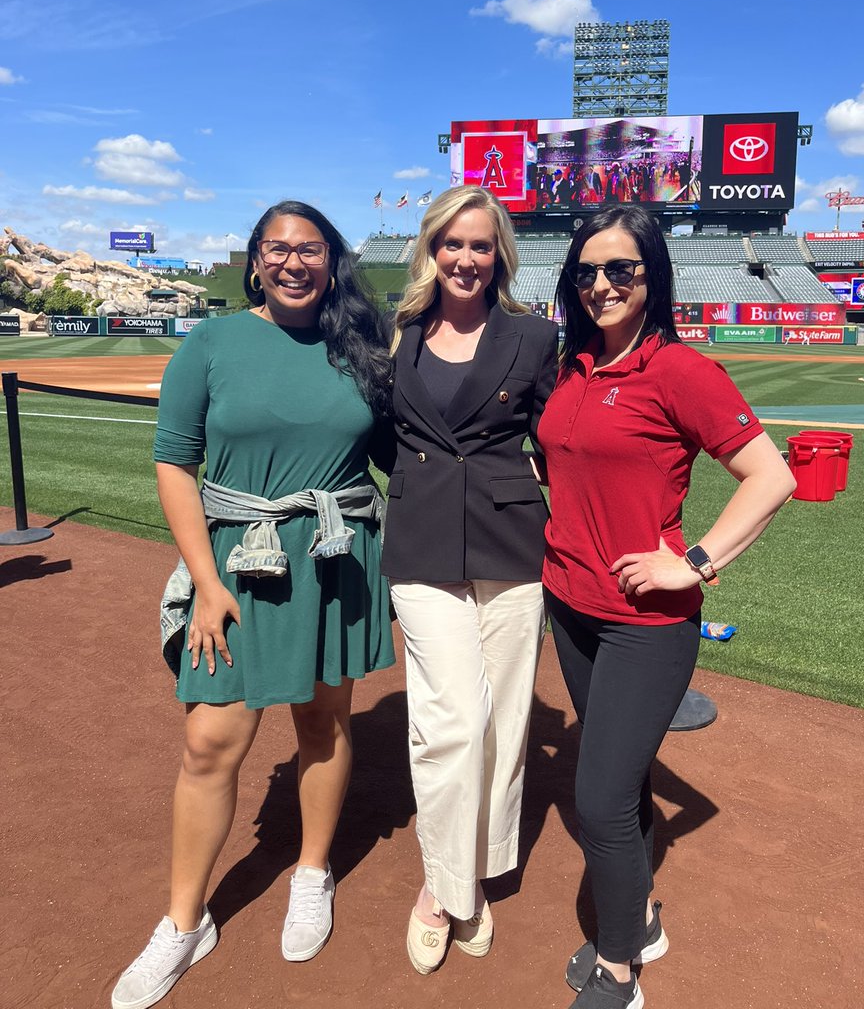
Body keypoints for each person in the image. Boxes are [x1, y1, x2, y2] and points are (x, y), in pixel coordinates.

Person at [112, 202, 395, 1009]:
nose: (294, 262)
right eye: (278, 249)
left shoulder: (359, 351)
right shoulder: (210, 341)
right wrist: (206, 582)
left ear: (332, 261)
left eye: (310, 249)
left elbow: (402, 457)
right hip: (238, 564)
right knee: (210, 739)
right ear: (255, 261)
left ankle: (312, 871)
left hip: (334, 561)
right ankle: (182, 922)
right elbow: (174, 464)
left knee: (324, 722)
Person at [538, 204, 796, 1009]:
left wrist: (695, 562)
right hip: (569, 606)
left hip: (643, 624)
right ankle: (641, 914)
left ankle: (620, 970)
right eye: (586, 272)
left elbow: (773, 476)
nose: (602, 285)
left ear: (655, 276)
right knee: (626, 783)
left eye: (623, 270)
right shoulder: (573, 364)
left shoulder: (679, 371)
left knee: (598, 799)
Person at [380, 186, 559, 975]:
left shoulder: (532, 335)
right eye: (451, 244)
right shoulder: (397, 336)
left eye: (481, 245)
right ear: (430, 249)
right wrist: (427, 488)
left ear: (499, 255)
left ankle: (477, 868)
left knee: (504, 722)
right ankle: (447, 889)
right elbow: (384, 442)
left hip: (511, 541)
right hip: (422, 544)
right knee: (452, 720)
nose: (465, 258)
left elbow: (559, 441)